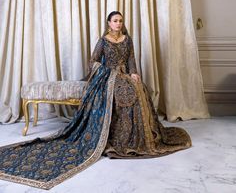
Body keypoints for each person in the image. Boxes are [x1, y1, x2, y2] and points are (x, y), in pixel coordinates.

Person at [0, 11, 191, 189]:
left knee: (139, 88)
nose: (118, 24)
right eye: (115, 21)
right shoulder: (103, 41)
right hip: (108, 77)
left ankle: (138, 136)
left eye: (120, 21)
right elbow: (93, 62)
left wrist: (133, 73)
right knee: (124, 92)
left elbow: (132, 59)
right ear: (109, 23)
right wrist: (108, 71)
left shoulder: (127, 40)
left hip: (125, 74)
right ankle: (117, 136)